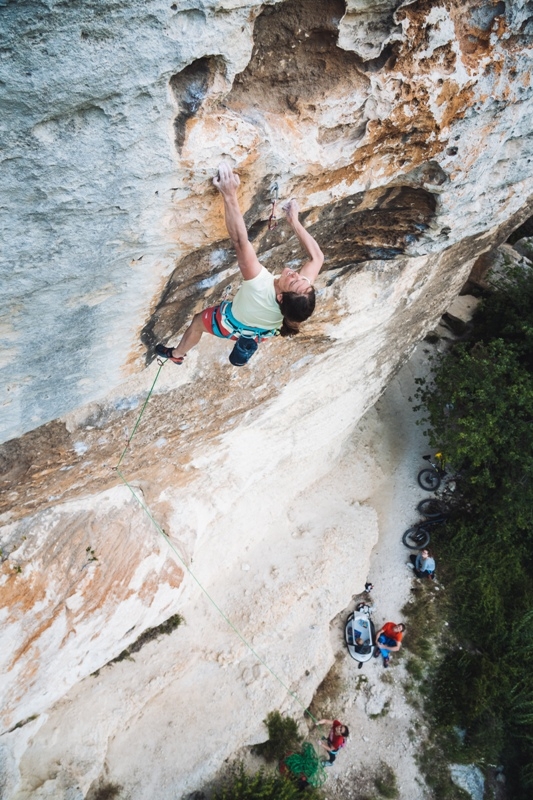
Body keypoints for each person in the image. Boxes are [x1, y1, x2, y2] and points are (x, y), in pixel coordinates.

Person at [155, 162, 324, 365]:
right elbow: (317, 258)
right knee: (251, 329)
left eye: (294, 281)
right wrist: (294, 221)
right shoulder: (297, 298)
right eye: (303, 280)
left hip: (228, 323)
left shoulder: (259, 284)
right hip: (262, 332)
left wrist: (229, 194)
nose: (297, 275)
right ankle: (245, 343)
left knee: (198, 322)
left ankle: (176, 354)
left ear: (280, 297)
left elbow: (240, 241)